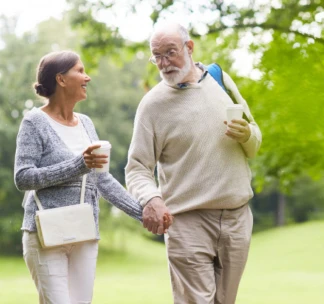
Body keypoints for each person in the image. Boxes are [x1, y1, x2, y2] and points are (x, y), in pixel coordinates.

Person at [14, 50, 172, 304]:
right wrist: (78, 165)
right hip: (45, 234)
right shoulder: (34, 122)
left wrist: (140, 212)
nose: (87, 78)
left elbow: (102, 179)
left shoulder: (86, 123)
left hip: (84, 232)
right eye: (80, 71)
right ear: (61, 79)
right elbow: (23, 178)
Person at [125, 22, 262, 304]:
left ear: (189, 48)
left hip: (237, 218)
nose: (164, 63)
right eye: (157, 56)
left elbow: (255, 138)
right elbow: (137, 167)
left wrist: (248, 134)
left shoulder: (220, 79)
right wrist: (151, 198)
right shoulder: (152, 105)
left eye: (170, 53)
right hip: (187, 221)